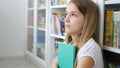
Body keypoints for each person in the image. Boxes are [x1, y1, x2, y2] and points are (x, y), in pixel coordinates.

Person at [51, 0, 104, 68]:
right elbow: (54, 63)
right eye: (66, 14)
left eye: (73, 14)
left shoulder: (90, 49)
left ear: (87, 20)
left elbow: (55, 63)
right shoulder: (68, 43)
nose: (66, 19)